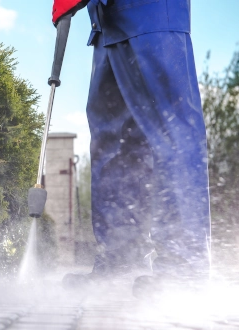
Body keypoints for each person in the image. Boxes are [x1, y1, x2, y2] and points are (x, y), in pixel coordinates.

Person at [53, 0, 211, 296]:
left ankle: (184, 268)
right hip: (106, 24)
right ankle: (120, 259)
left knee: (172, 129)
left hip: (151, 16)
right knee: (114, 141)